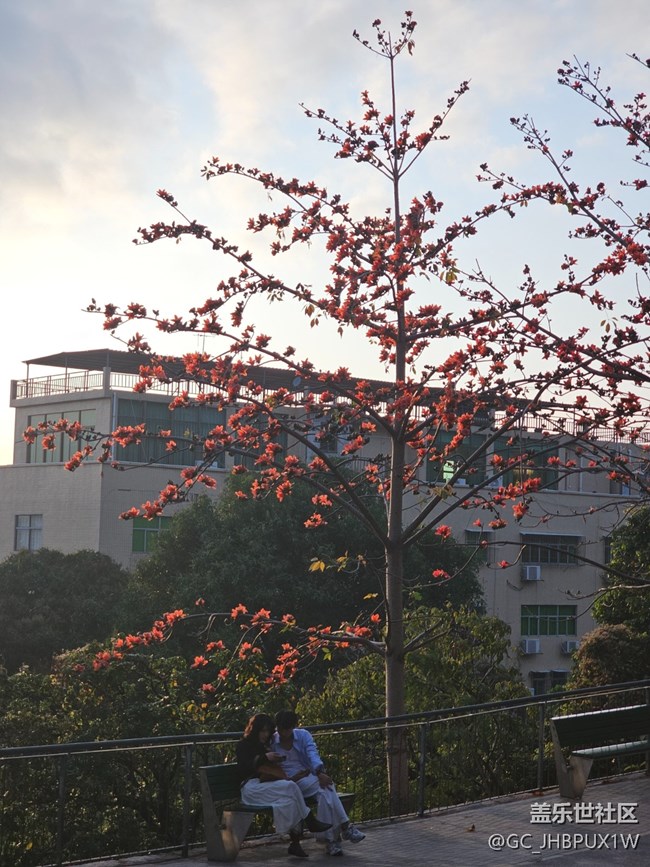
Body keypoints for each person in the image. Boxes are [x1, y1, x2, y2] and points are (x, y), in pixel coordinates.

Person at [236, 712, 333, 858]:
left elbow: (271, 775)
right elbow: (244, 768)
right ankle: (310, 821)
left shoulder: (265, 746)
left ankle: (295, 843)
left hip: (265, 786)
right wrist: (264, 757)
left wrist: (292, 776)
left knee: (290, 798)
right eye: (262, 731)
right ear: (255, 730)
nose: (265, 734)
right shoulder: (244, 745)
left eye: (268, 731)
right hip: (250, 788)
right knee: (291, 787)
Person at [273, 709, 366, 857]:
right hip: (290, 783)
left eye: (287, 729)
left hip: (308, 777)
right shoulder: (272, 742)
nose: (283, 732)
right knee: (327, 786)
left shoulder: (303, 735)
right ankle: (345, 826)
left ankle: (331, 841)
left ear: (293, 727)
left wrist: (319, 772)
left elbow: (313, 754)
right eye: (280, 728)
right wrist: (316, 776)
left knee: (325, 793)